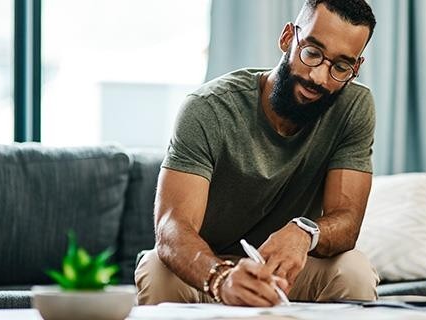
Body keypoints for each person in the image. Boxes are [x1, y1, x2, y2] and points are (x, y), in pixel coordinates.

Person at [136, 0, 379, 307]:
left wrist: (305, 232)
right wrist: (220, 278)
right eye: (312, 52)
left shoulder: (354, 108)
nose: (319, 77)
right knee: (157, 269)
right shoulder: (207, 108)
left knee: (353, 270)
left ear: (355, 68)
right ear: (288, 38)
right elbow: (173, 228)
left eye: (340, 67)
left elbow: (347, 220)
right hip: (208, 268)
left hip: (286, 271)